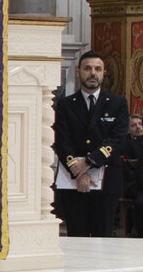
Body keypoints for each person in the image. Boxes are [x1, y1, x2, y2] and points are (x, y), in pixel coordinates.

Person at [52, 50, 129, 238]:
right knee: (77, 235)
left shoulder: (118, 104)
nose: (93, 73)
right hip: (72, 181)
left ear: (104, 73)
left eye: (98, 69)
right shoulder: (65, 104)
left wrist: (89, 162)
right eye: (87, 68)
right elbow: (62, 140)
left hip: (107, 180)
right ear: (78, 72)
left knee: (103, 236)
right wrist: (78, 171)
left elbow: (117, 138)